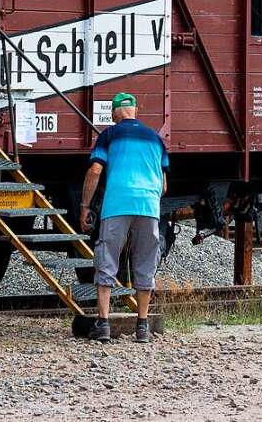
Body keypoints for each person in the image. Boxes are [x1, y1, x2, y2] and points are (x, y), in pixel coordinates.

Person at [79, 92, 168, 343]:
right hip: (148, 206)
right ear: (135, 111)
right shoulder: (156, 139)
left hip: (117, 204)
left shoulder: (109, 135)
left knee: (107, 259)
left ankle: (104, 324)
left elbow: (95, 170)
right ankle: (142, 326)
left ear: (115, 113)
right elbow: (163, 186)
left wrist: (85, 205)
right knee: (145, 261)